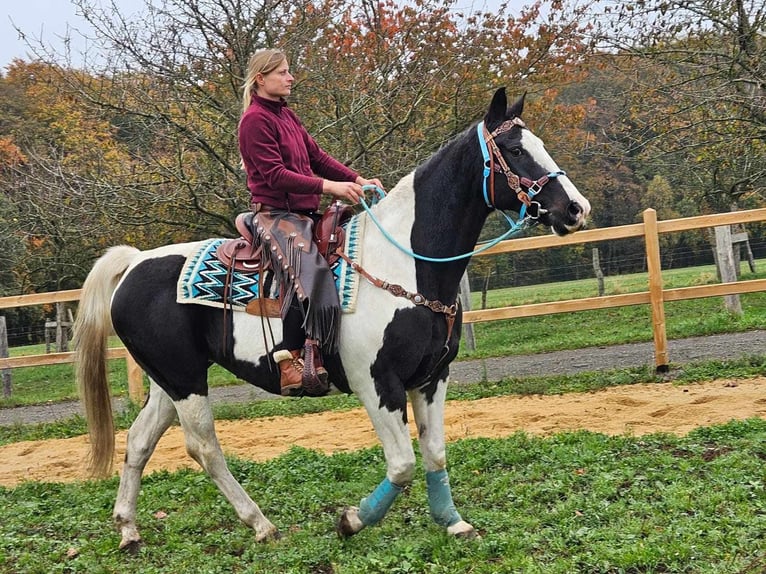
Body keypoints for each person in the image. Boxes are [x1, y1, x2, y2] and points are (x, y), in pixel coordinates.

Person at [238, 48, 384, 397]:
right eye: (283, 72)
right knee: (311, 271)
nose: (290, 78)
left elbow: (316, 158)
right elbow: (274, 175)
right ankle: (290, 360)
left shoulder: (286, 115)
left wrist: (357, 179)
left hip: (303, 214)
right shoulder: (255, 121)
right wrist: (330, 187)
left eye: (289, 72)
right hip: (275, 214)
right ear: (262, 78)